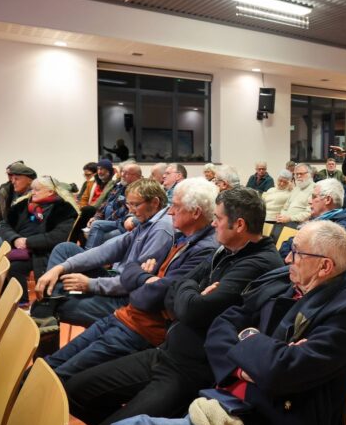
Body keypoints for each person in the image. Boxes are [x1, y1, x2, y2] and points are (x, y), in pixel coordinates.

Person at [54, 221, 346, 425]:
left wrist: (248, 340)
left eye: (297, 253)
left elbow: (279, 372)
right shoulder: (283, 282)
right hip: (221, 400)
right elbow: (222, 324)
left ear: (324, 266)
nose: (288, 257)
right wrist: (253, 357)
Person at [63, 188, 284, 425]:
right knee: (75, 391)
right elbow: (172, 293)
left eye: (218, 218)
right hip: (166, 352)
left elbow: (191, 309)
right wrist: (190, 292)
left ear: (239, 224)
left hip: (190, 371)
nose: (213, 223)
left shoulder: (259, 263)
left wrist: (185, 293)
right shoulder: (225, 249)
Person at [40, 178, 219, 382]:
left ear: (195, 213)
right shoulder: (182, 236)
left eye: (176, 206)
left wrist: (99, 283)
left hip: (137, 321)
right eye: (128, 204)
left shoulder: (179, 237)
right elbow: (119, 259)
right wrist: (62, 268)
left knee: (59, 366)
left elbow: (150, 294)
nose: (170, 211)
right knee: (64, 252)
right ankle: (45, 311)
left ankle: (46, 308)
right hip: (127, 313)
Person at [31, 178, 175, 327]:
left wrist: (91, 284)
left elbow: (134, 282)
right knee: (65, 249)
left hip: (127, 296)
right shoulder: (148, 221)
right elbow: (106, 251)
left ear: (155, 202)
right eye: (129, 205)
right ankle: (50, 303)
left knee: (57, 308)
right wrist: (60, 268)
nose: (131, 211)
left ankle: (49, 306)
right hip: (118, 279)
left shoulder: (161, 229)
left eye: (136, 205)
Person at [0, 176, 80, 300]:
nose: (32, 192)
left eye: (37, 190)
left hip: (42, 251)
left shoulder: (64, 209)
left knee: (14, 267)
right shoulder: (23, 205)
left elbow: (58, 237)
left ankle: (20, 304)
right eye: (32, 189)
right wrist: (15, 239)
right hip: (18, 246)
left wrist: (28, 242)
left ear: (50, 191)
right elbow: (3, 225)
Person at [280, 179, 346, 257]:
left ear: (328, 200)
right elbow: (291, 243)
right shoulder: (317, 219)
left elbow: (314, 256)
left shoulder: (345, 226)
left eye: (314, 197)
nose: (309, 201)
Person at [86, 162, 143, 248]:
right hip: (110, 222)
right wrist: (96, 217)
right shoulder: (120, 186)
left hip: (122, 224)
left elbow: (126, 211)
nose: (122, 175)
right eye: (122, 172)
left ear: (136, 176)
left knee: (97, 228)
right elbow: (106, 203)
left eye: (126, 173)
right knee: (91, 227)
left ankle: (88, 253)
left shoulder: (138, 189)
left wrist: (103, 221)